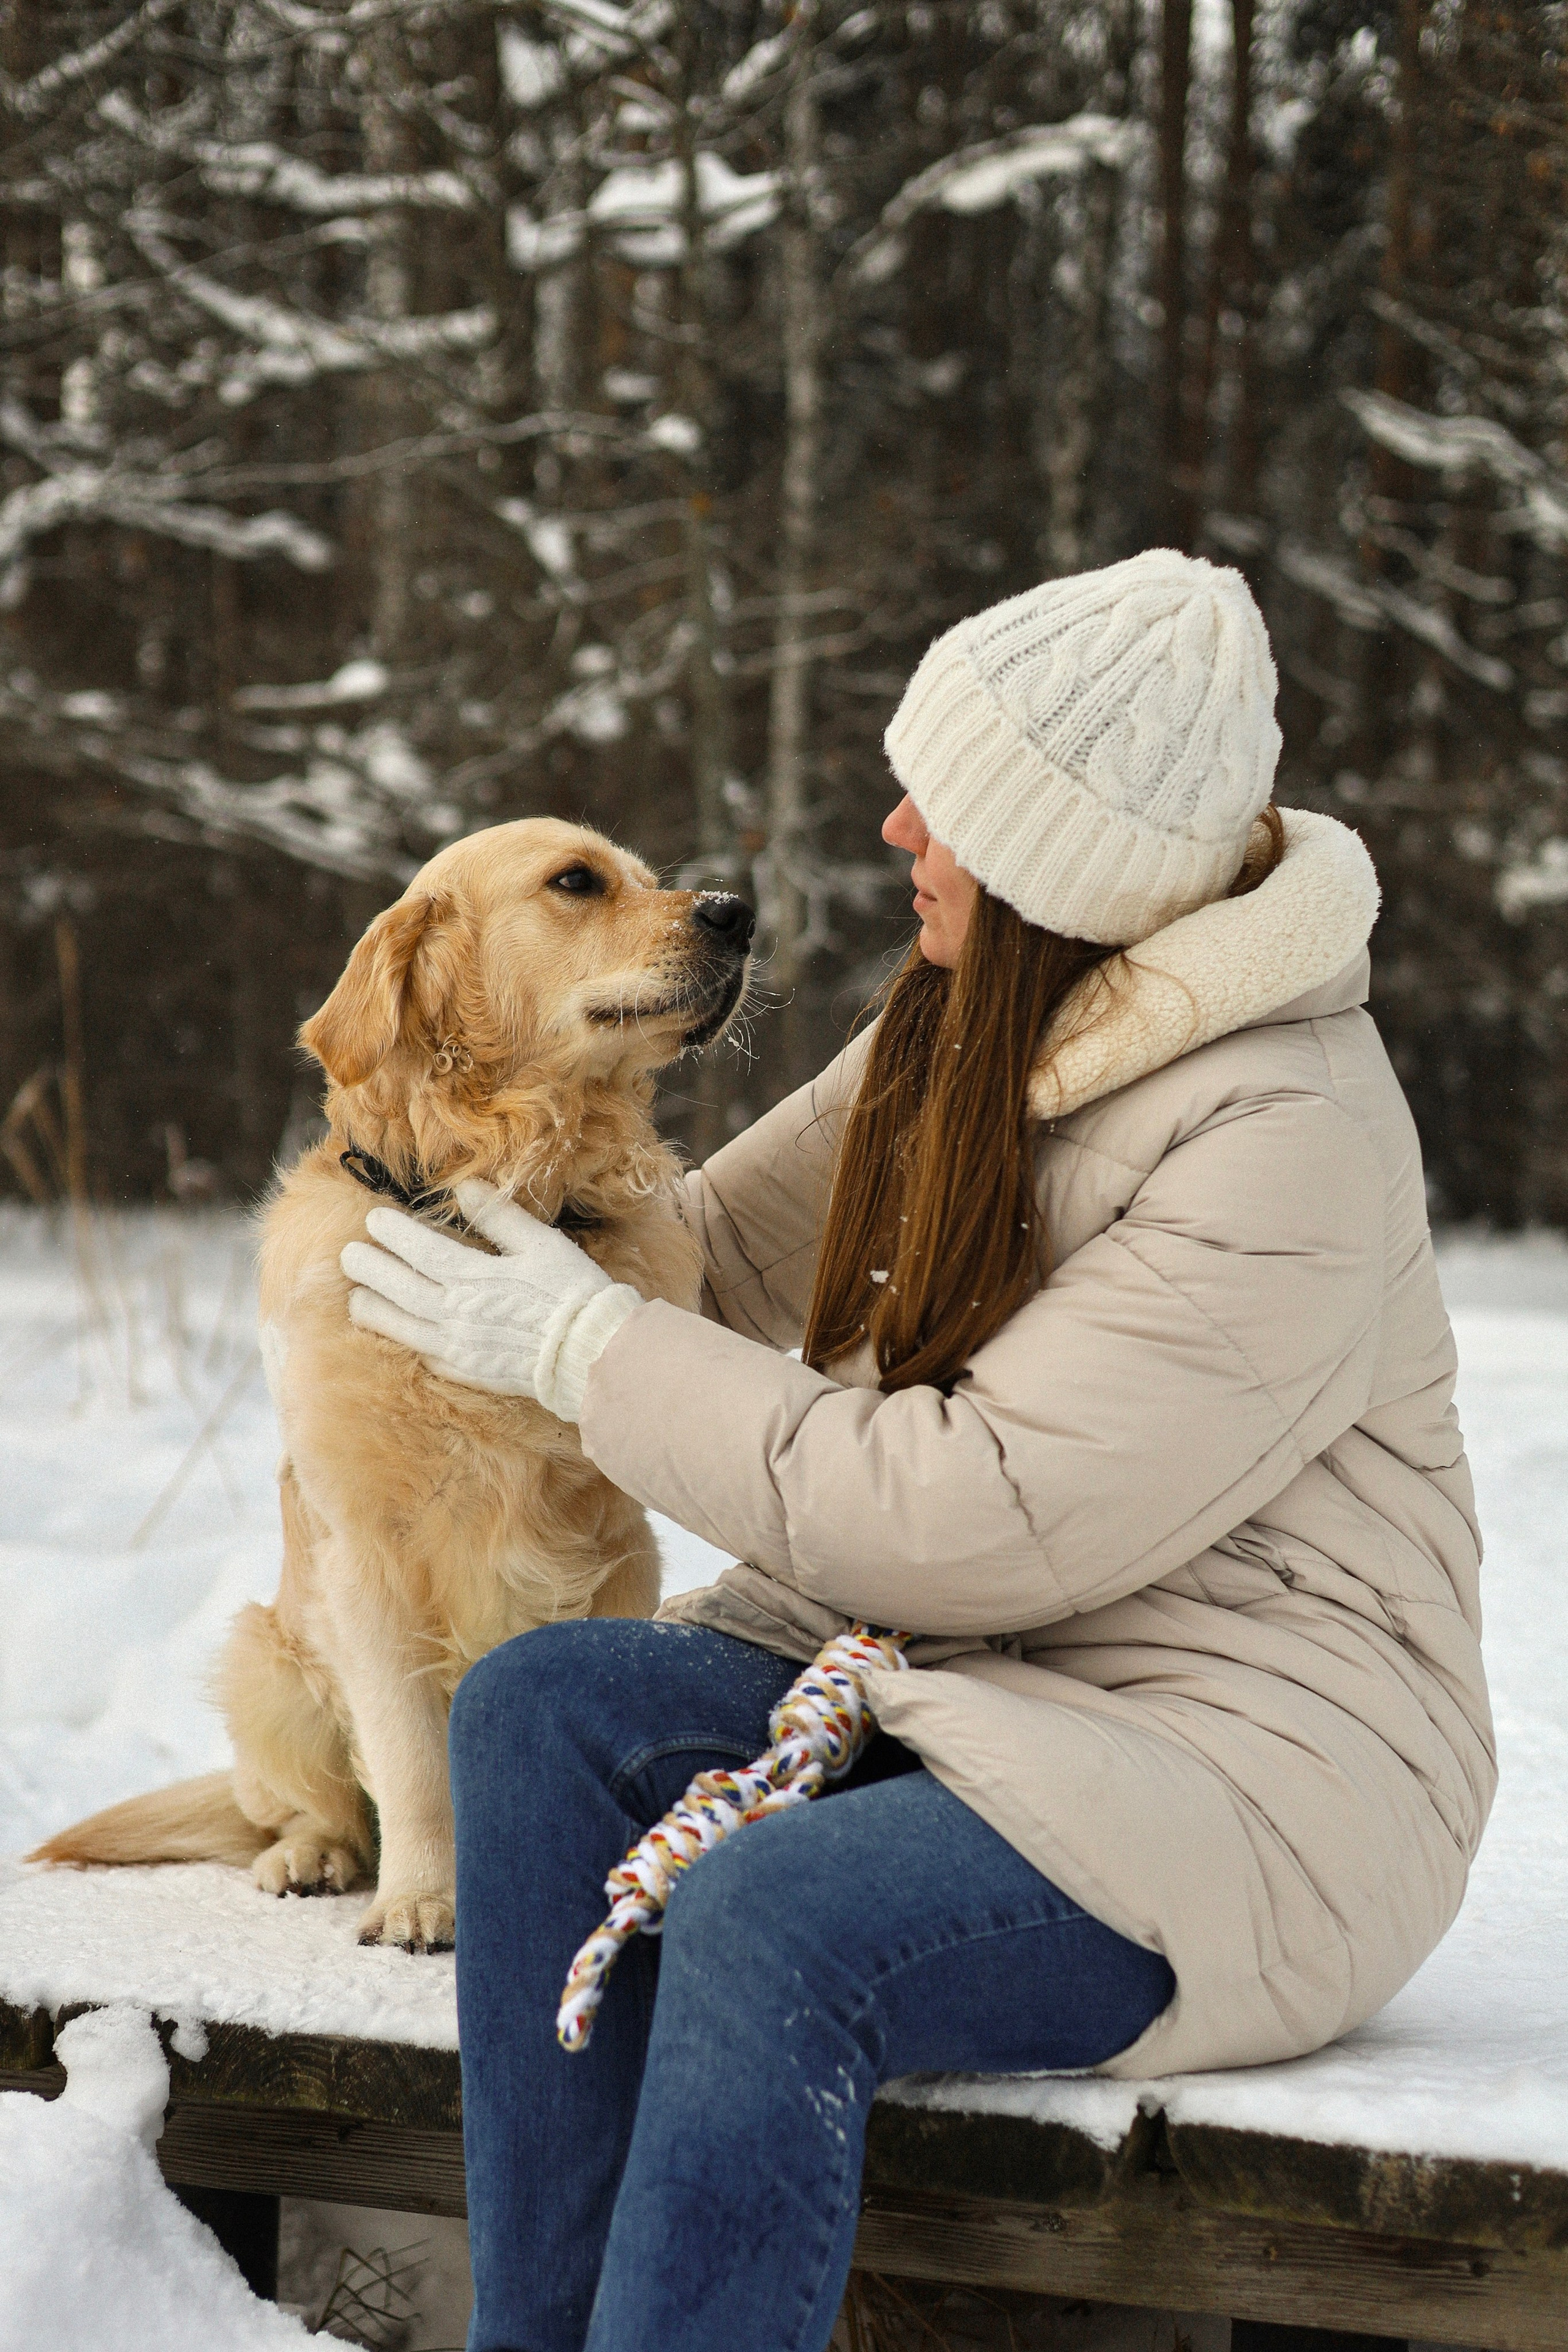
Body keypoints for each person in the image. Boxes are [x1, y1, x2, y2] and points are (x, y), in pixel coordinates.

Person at [343, 551, 1494, 2352]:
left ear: (1068, 867)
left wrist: (586, 1341)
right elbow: (709, 1264)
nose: (895, 829)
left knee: (769, 1920)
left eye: (943, 807)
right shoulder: (962, 1024)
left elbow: (977, 1519)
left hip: (1248, 1780)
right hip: (969, 1688)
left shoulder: (1291, 1133)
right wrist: (472, 1180)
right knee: (539, 1714)